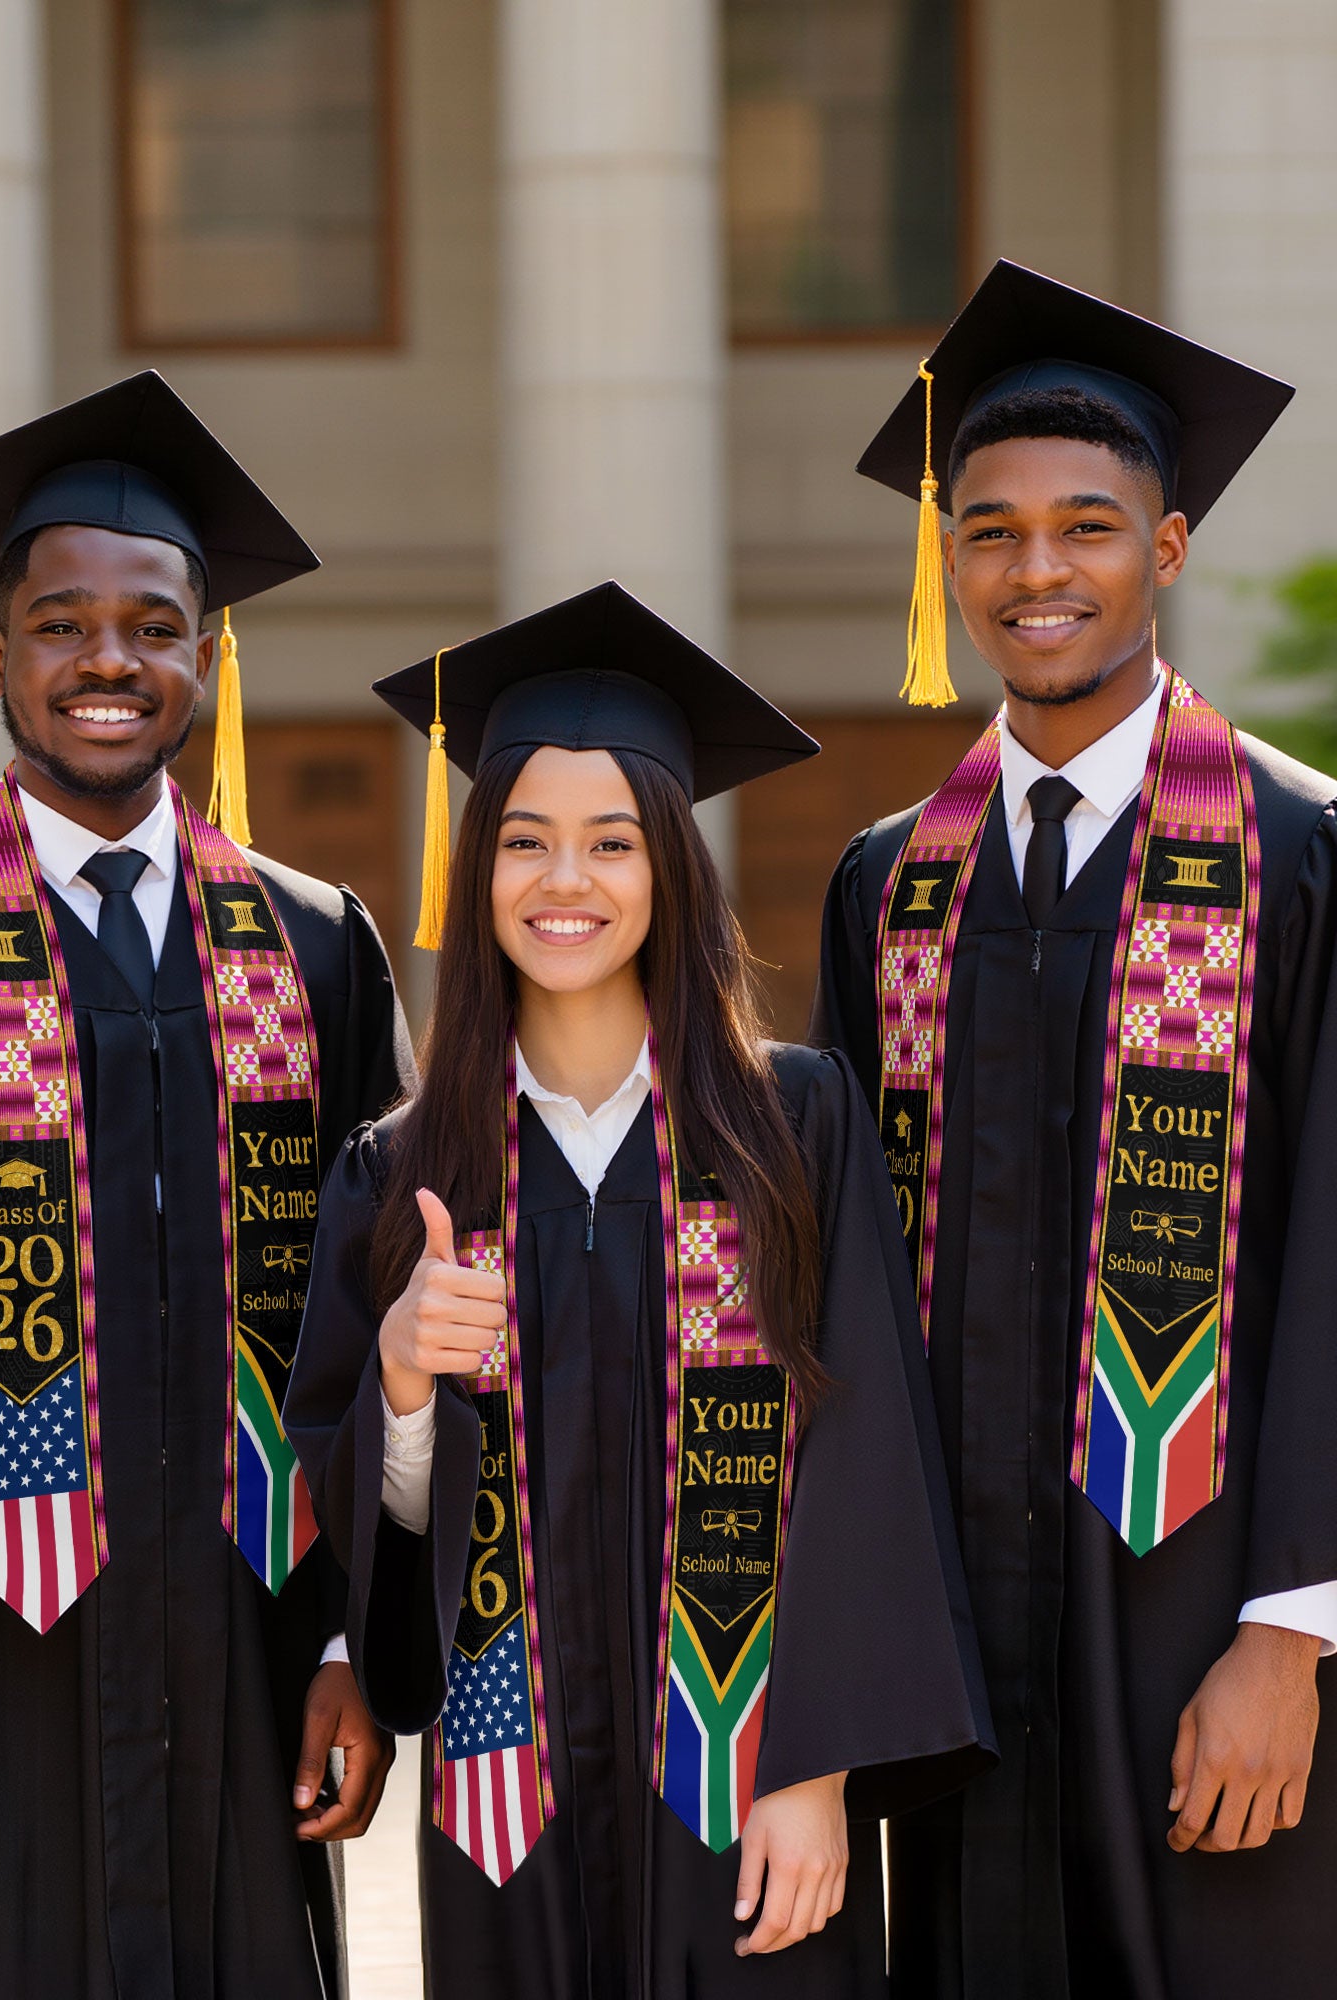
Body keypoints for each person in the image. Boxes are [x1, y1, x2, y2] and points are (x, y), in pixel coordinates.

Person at [0, 371, 413, 1997]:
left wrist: (352, 1644)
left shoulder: (313, 945)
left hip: (253, 1641)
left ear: (207, 655)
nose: (107, 660)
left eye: (153, 624)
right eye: (59, 624)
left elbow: (388, 1296)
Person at [285, 582, 992, 1998]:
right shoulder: (404, 1167)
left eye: (611, 843)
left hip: (749, 1792)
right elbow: (363, 1523)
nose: (567, 883)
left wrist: (817, 1764)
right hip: (507, 1808)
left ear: (670, 868)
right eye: (526, 842)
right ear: (476, 870)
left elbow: (868, 1455)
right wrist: (407, 1386)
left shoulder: (798, 1127)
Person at [813, 259, 1337, 1999]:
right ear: (946, 557)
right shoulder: (892, 885)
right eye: (991, 529)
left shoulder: (1302, 853)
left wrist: (1295, 1626)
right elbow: (840, 1281)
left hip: (1206, 1607)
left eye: (1089, 526)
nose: (1038, 570)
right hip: (957, 1621)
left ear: (1167, 550)